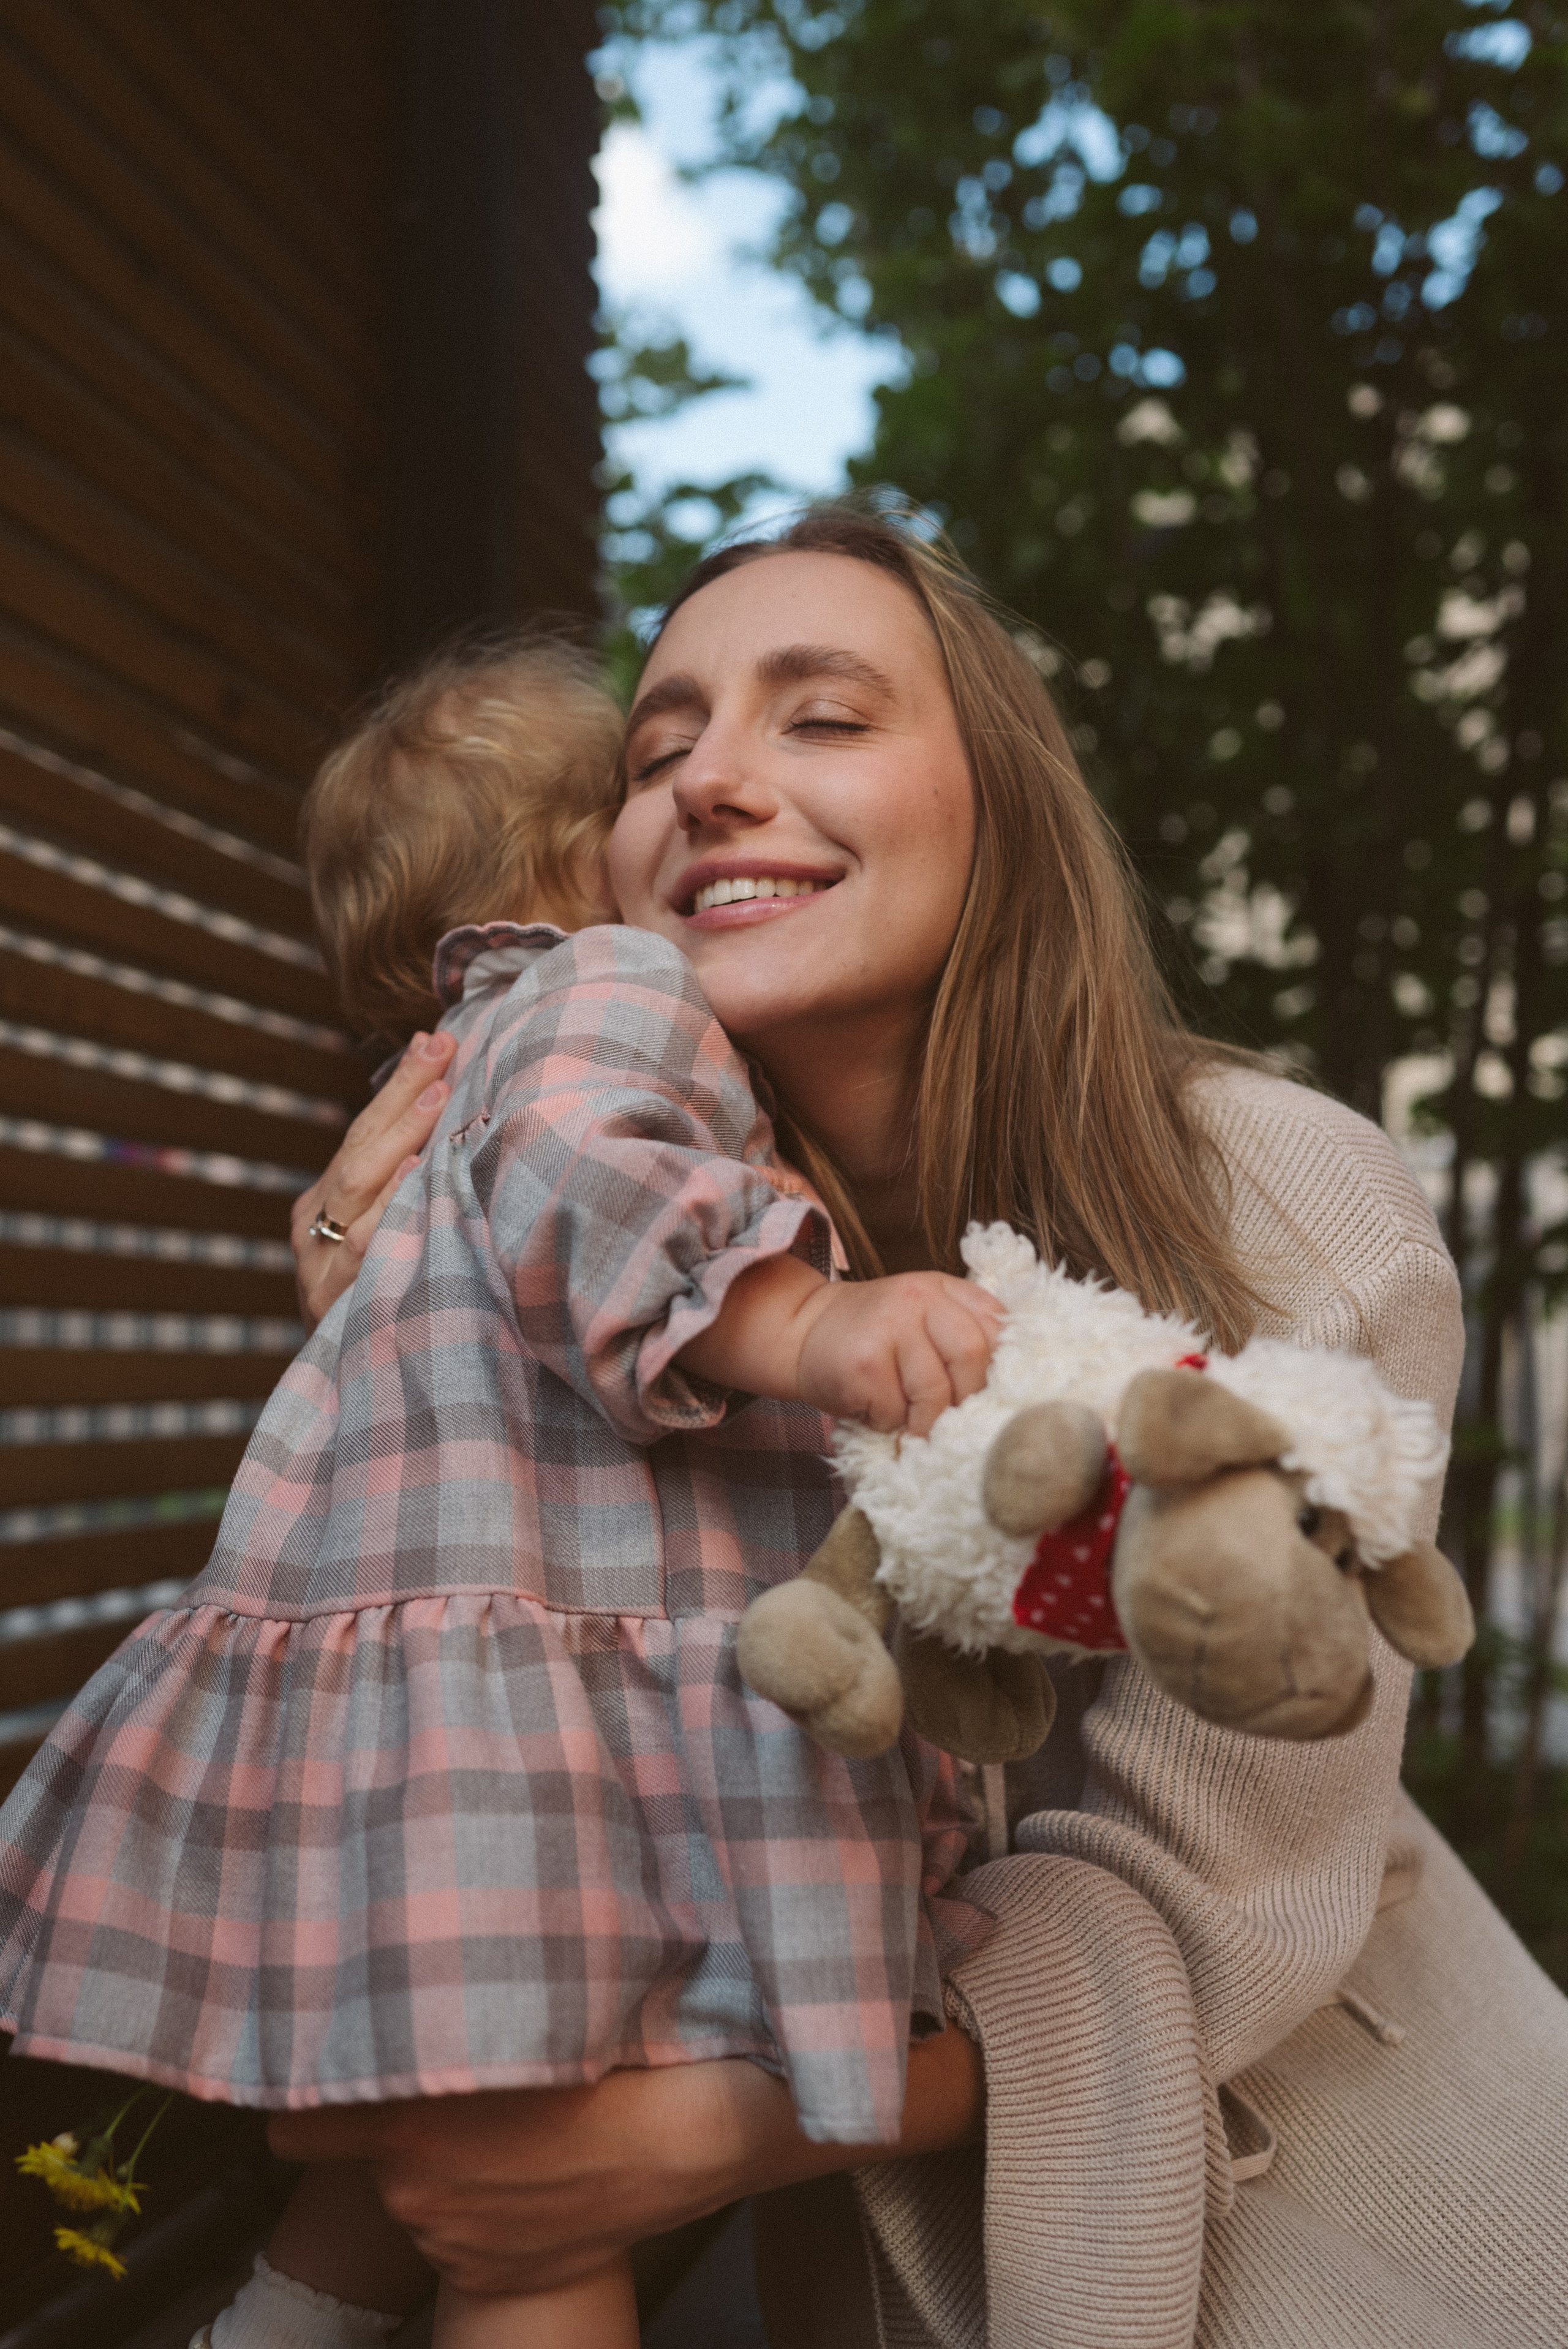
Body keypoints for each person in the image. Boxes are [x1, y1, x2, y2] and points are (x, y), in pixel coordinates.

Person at [284, 507, 1568, 2349]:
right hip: (834, 2239)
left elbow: (1223, 1897)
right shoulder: (597, 1245)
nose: (715, 778)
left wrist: (706, 2128)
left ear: (1002, 813)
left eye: (822, 719)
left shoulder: (1282, 1199)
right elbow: (472, 1752)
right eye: (661, 751)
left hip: (1346, 2203)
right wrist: (378, 1320)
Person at [0, 632, 1003, 2349]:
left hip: (451, 1759)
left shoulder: (458, 1070)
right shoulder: (613, 991)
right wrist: (818, 1317)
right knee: (538, 2235)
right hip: (565, 1756)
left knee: (445, 2165)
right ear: (573, 855)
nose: (702, 805)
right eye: (647, 779)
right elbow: (594, 1191)